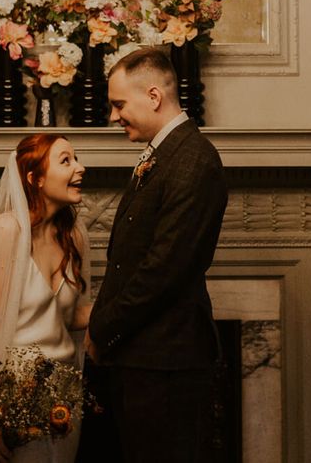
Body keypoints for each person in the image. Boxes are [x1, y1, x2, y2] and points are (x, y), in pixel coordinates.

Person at [86, 47, 228, 462]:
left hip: (167, 364)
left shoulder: (195, 160)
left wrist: (101, 328)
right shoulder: (167, 153)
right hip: (144, 358)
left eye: (118, 105)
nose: (113, 117)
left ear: (153, 97)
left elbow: (163, 270)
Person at [0, 133, 93, 463]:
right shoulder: (8, 232)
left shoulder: (74, 237)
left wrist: (135, 307)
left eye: (76, 158)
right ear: (35, 178)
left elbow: (65, 319)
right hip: (16, 399)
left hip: (66, 398)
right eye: (66, 161)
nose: (80, 168)